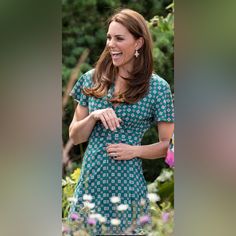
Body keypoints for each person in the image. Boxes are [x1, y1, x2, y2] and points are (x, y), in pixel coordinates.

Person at [68, 8, 174, 234]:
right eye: (109, 38)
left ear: (138, 43)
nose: (110, 44)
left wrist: (134, 151)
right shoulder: (92, 79)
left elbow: (168, 146)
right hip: (91, 182)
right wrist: (94, 116)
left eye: (119, 38)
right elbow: (75, 136)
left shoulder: (157, 88)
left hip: (128, 185)